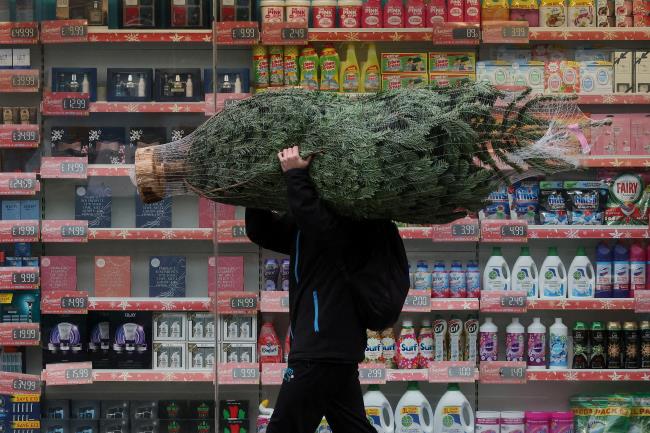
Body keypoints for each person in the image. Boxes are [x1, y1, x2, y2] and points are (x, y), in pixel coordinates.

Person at [245, 146, 379, 433]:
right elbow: (265, 232)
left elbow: (319, 224)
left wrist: (295, 176)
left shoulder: (347, 218)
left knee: (284, 429)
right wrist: (254, 191)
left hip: (321, 347)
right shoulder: (307, 224)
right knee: (352, 427)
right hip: (331, 348)